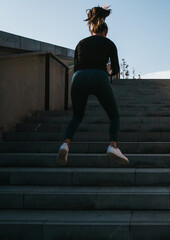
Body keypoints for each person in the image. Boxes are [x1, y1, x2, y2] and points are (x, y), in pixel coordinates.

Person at [56, 5, 128, 166]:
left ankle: (65, 145)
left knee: (77, 116)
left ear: (91, 31)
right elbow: (116, 69)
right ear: (105, 32)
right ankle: (112, 146)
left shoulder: (81, 43)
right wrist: (108, 71)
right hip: (99, 76)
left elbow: (75, 64)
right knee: (114, 115)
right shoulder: (109, 44)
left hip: (79, 78)